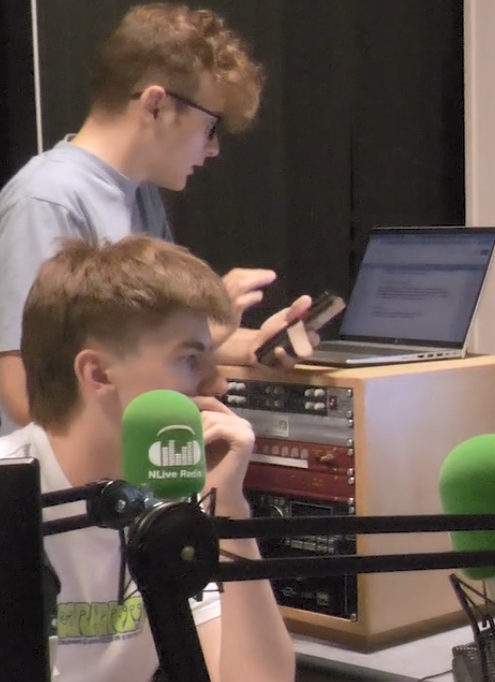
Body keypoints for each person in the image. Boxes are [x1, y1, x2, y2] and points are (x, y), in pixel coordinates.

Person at [0, 2, 308, 437]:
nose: (213, 148)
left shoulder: (139, 194)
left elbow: (142, 349)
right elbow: (25, 395)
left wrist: (253, 344)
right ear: (156, 105)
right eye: (211, 127)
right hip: (60, 492)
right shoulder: (48, 199)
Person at [0, 235, 296, 682]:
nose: (216, 384)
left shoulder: (176, 492)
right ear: (98, 374)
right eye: (190, 359)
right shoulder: (11, 489)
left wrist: (230, 507)